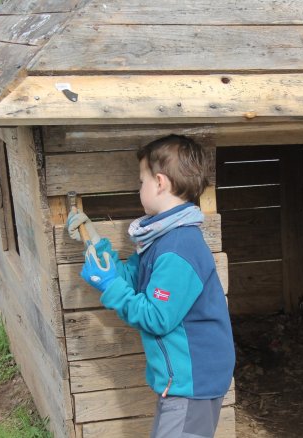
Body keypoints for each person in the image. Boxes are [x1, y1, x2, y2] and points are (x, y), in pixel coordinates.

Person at [66, 135, 235, 438]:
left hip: (193, 380)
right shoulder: (161, 238)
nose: (138, 189)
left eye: (141, 182)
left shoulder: (179, 247)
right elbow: (130, 279)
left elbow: (157, 317)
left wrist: (110, 286)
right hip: (181, 378)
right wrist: (95, 246)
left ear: (159, 183)